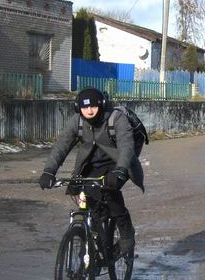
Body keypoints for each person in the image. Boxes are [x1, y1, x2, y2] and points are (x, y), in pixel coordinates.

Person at [38, 87, 143, 256]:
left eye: (93, 106)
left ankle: (126, 232)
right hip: (92, 163)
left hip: (117, 162)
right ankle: (93, 238)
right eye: (84, 107)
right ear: (78, 108)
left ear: (101, 104)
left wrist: (121, 170)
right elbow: (61, 146)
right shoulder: (77, 121)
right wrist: (49, 171)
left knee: (109, 189)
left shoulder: (116, 119)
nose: (89, 110)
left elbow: (126, 145)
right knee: (86, 193)